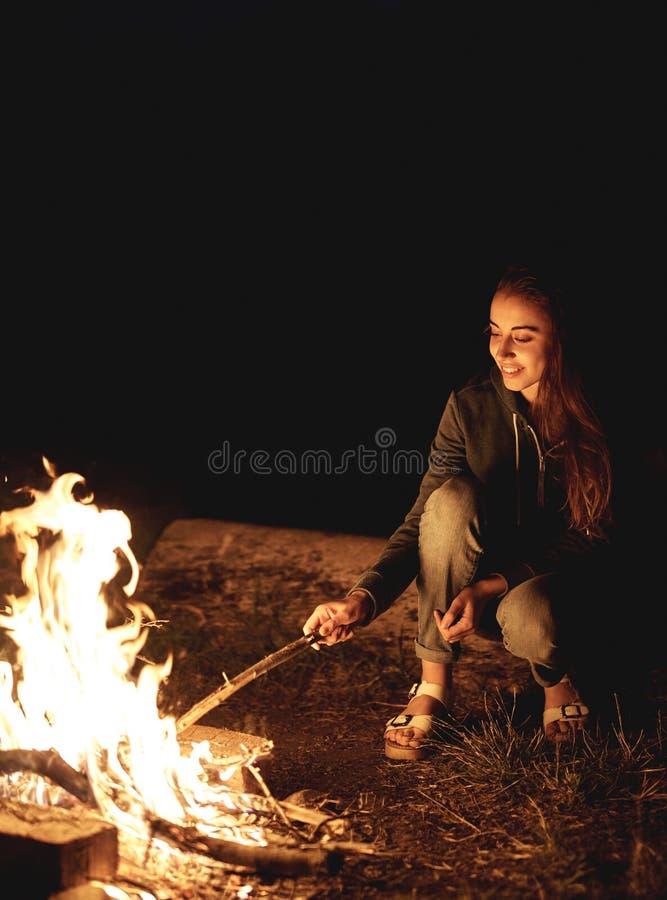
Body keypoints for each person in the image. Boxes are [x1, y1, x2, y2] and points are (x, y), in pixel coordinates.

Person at [302, 263, 614, 760]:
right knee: (449, 499)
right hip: (467, 592)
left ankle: (557, 681)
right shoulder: (470, 407)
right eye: (494, 332)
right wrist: (363, 597)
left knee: (537, 616)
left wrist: (497, 583)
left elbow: (595, 536)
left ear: (561, 341)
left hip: (548, 589)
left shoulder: (599, 414)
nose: (502, 351)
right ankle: (433, 684)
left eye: (523, 337)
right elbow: (423, 519)